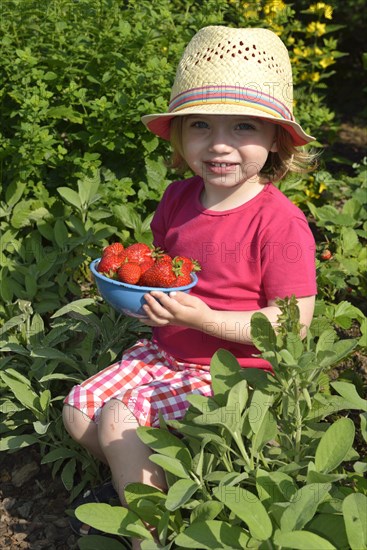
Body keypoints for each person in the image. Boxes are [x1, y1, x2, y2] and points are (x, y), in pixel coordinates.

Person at [63, 25, 317, 547]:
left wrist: (203, 319)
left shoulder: (279, 223)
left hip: (234, 375)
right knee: (79, 410)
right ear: (178, 135)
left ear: (276, 140)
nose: (219, 144)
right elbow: (164, 269)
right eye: (200, 125)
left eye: (244, 127)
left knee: (118, 417)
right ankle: (166, 476)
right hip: (169, 350)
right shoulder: (178, 199)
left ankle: (150, 533)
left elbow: (292, 325)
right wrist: (141, 303)